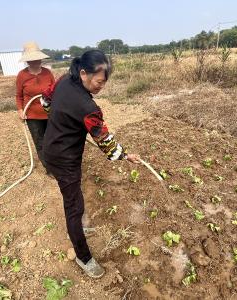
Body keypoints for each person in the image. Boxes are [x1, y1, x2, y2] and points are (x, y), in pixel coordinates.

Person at [41, 50, 140, 278]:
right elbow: (103, 138)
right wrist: (124, 155)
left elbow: (46, 101)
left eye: (104, 83)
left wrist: (62, 121)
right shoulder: (88, 108)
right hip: (64, 159)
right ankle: (83, 256)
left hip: (52, 148)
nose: (101, 87)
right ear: (84, 73)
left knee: (75, 195)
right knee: (73, 207)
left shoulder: (65, 79)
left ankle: (81, 230)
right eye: (98, 82)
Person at [16, 41, 55, 169]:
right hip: (32, 116)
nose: (35, 61)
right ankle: (49, 168)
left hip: (50, 113)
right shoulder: (22, 75)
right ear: (27, 61)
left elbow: (55, 91)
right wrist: (21, 110)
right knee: (40, 142)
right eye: (32, 59)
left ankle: (57, 162)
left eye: (37, 58)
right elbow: (19, 96)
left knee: (53, 140)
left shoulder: (47, 73)